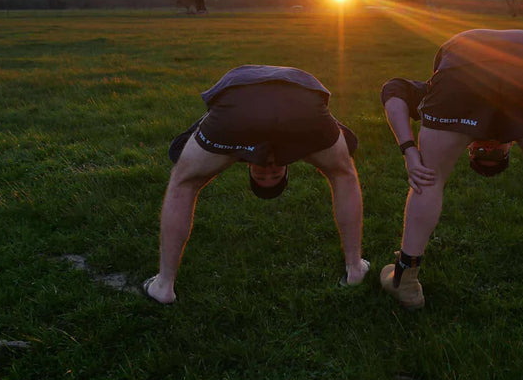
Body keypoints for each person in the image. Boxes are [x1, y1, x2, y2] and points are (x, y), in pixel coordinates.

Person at [379, 29, 523, 311]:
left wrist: (410, 151)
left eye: (481, 151)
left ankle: (405, 280)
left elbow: (393, 90)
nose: (488, 143)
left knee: (428, 179)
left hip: (463, 66)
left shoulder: (433, 90)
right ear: (511, 146)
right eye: (492, 151)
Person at [143, 65, 370, 304]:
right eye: (274, 175)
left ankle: (163, 285)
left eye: (262, 177)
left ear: (249, 168)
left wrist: (226, 155)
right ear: (287, 167)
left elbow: (181, 146)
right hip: (301, 98)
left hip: (241, 101)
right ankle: (355, 267)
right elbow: (348, 142)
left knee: (183, 181)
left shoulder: (234, 152)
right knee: (344, 173)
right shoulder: (299, 148)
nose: (268, 171)